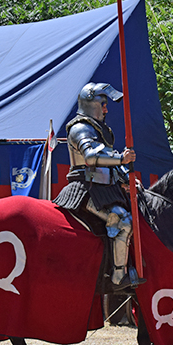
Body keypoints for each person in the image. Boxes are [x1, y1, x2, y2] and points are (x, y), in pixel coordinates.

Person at [53, 82, 144, 292]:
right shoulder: (80, 128)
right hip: (85, 189)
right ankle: (117, 278)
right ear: (91, 105)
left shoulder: (100, 130)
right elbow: (92, 157)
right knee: (122, 221)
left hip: (103, 187)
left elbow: (108, 165)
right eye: (103, 104)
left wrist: (127, 179)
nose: (106, 109)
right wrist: (121, 159)